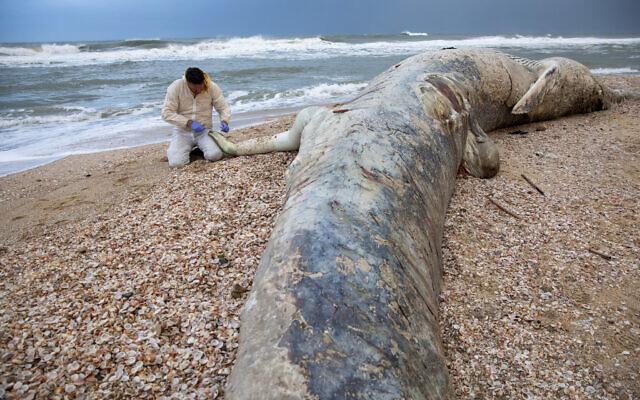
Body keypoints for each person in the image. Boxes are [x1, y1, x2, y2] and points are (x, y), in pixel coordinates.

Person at [161, 67, 231, 167]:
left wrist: (225, 120)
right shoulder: (176, 86)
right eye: (195, 88)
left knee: (215, 155)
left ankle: (200, 149)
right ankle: (178, 151)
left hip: (204, 130)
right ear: (188, 83)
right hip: (183, 131)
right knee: (176, 163)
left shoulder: (211, 87)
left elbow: (223, 107)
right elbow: (166, 113)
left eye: (200, 87)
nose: (198, 90)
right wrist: (188, 122)